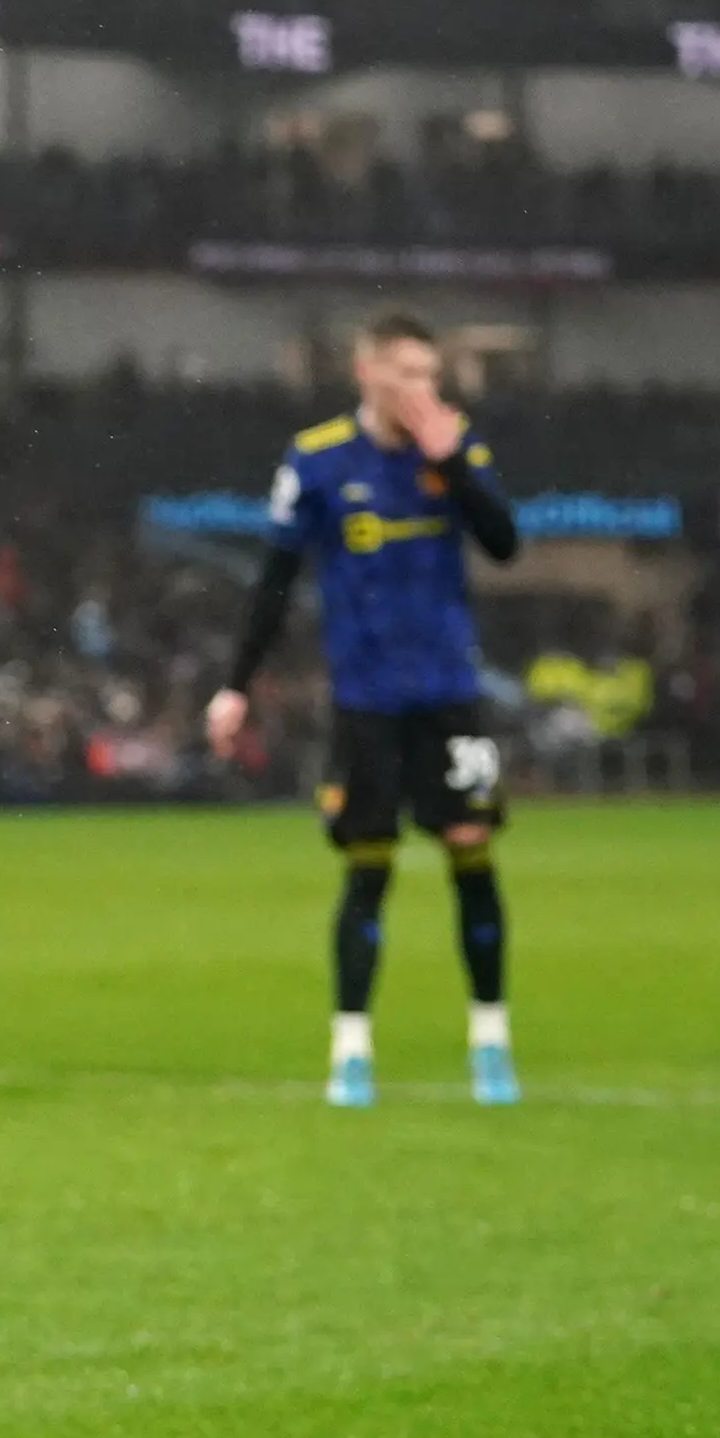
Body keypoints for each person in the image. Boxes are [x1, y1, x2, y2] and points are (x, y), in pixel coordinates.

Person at [206, 314, 522, 1108]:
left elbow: (504, 542)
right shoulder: (316, 462)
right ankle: (350, 1049)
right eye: (410, 374)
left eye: (431, 375)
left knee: (470, 847)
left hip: (450, 690)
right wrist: (236, 683)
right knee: (367, 866)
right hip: (366, 698)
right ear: (368, 373)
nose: (425, 390)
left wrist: (452, 467)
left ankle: (491, 1038)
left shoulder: (455, 448)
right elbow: (275, 579)